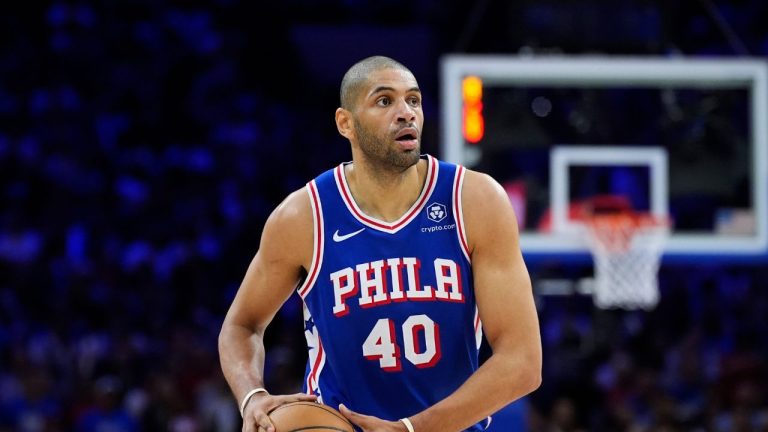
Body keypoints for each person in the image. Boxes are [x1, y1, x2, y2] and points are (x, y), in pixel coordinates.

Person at [218, 55, 542, 432]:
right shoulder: (304, 217)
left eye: (414, 100)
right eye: (385, 101)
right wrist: (251, 395)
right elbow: (241, 326)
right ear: (346, 123)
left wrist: (411, 428)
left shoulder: (474, 200)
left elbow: (522, 362)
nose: (406, 113)